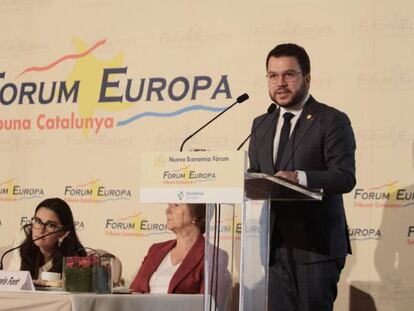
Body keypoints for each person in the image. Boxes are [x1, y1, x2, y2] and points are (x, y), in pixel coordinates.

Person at [248, 43, 356, 311]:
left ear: (307, 78)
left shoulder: (331, 120)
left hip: (316, 246)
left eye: (289, 75)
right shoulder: (261, 124)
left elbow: (344, 177)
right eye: (273, 76)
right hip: (274, 246)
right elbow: (256, 173)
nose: (280, 83)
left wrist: (300, 177)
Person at [129, 203, 206, 294]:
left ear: (195, 215)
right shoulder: (156, 250)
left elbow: (208, 304)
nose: (167, 211)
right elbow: (135, 291)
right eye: (169, 205)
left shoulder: (210, 256)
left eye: (176, 205)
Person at [17, 197, 86, 279]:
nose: (41, 230)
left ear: (64, 232)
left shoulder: (75, 261)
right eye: (38, 221)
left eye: (50, 225)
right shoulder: (22, 250)